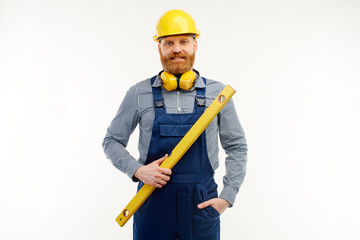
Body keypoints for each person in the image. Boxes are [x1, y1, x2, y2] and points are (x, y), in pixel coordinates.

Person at [102, 9, 247, 240]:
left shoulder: (218, 95)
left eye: (184, 41)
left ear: (195, 45)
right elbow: (111, 142)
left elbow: (237, 147)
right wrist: (138, 170)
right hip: (152, 206)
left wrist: (227, 196)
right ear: (159, 47)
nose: (177, 49)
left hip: (202, 209)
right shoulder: (138, 93)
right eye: (169, 42)